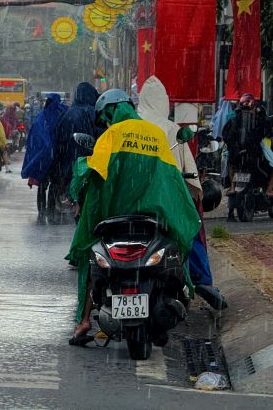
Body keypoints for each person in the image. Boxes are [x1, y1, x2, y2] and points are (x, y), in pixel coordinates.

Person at [67, 89, 200, 346]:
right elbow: (170, 178)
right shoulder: (156, 135)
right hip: (152, 216)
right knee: (178, 248)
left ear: (111, 112)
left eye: (106, 117)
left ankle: (84, 322)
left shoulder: (112, 135)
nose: (106, 122)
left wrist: (80, 168)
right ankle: (178, 298)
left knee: (88, 255)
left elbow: (94, 172)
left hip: (115, 217)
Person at [138, 76, 226, 310]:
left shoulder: (130, 127)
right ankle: (201, 280)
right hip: (168, 199)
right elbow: (191, 175)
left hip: (133, 197)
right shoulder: (171, 129)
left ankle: (86, 315)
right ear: (164, 102)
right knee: (191, 228)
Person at [221, 93, 273, 220]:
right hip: (253, 155)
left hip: (238, 155)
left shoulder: (233, 118)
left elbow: (225, 135)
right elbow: (266, 133)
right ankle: (270, 190)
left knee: (229, 162)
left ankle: (233, 188)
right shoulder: (258, 118)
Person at [20, 93, 68, 224]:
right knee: (54, 184)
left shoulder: (42, 117)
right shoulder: (61, 115)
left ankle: (41, 210)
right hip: (57, 157)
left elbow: (35, 137)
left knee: (42, 184)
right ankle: (50, 209)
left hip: (44, 158)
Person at [50, 82, 100, 199]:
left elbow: (57, 141)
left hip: (68, 166)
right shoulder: (97, 114)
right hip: (91, 166)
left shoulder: (66, 114)